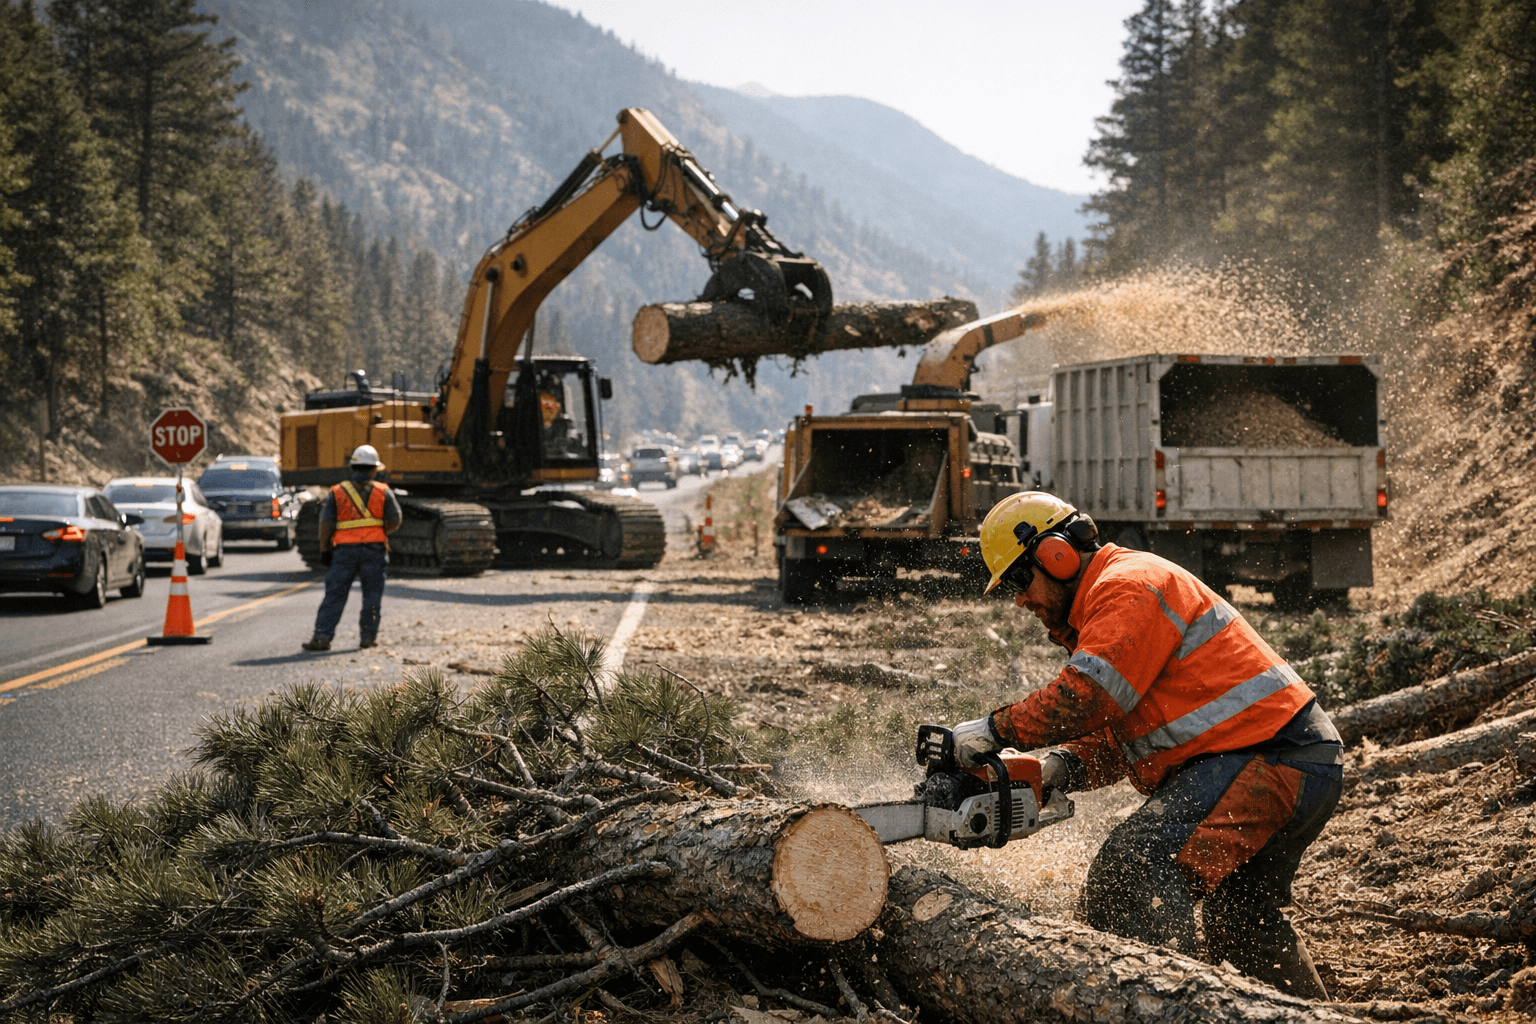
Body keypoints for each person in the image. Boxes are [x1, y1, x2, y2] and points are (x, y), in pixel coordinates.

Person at [949, 491, 1343, 999]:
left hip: (1270, 758)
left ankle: (1169, 1008)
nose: (1021, 600)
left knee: (1133, 869)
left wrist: (995, 730)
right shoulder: (1111, 601)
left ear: (1057, 555)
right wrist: (1059, 769)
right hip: (1295, 758)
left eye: (1021, 580)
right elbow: (1129, 734)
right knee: (1242, 916)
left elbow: (1087, 697)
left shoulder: (1128, 585)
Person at [302, 445, 402, 652]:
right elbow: (395, 520)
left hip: (344, 553)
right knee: (372, 596)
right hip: (374, 551)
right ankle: (368, 638)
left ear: (353, 467)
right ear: (374, 470)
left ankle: (321, 638)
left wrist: (324, 549)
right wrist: (377, 531)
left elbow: (325, 523)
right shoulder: (384, 492)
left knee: (335, 595)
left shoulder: (337, 492)